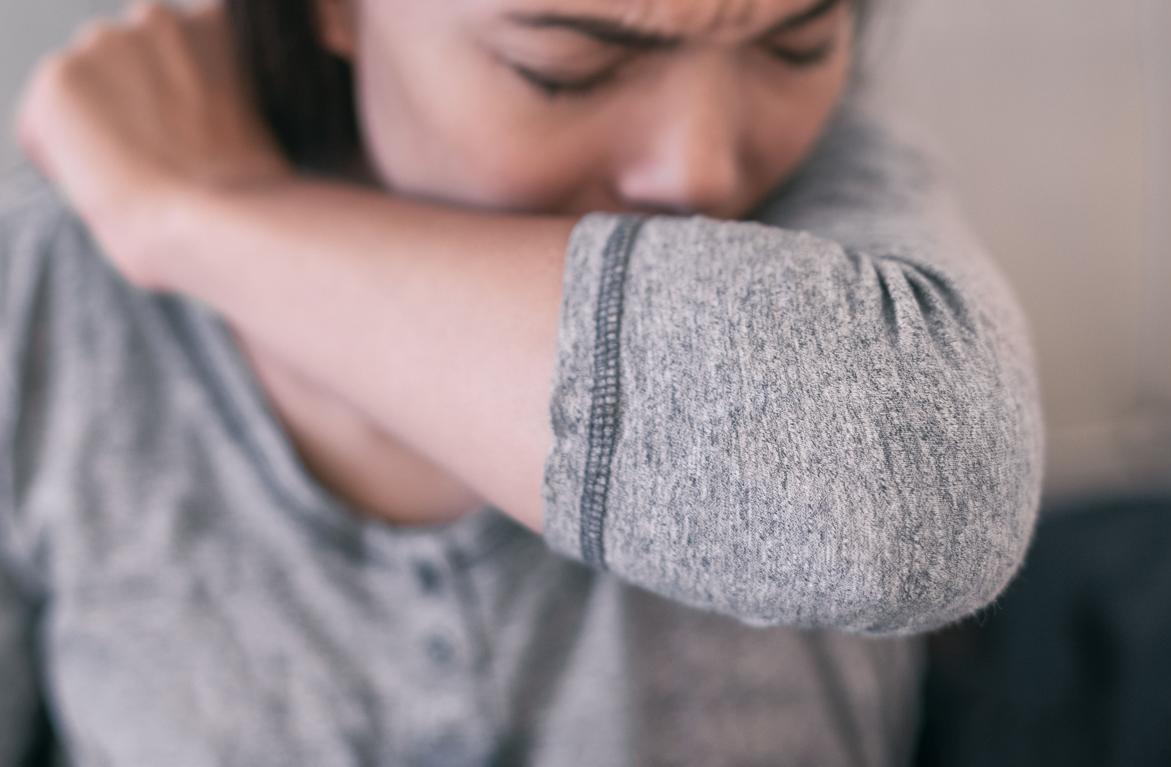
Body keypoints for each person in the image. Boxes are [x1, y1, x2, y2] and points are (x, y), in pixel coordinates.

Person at [1, 0, 1044, 763]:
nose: (703, 174)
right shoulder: (48, 294)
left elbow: (912, 501)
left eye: (798, 43)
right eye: (567, 69)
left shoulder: (839, 193)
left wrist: (200, 221)